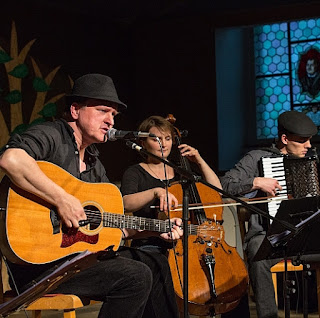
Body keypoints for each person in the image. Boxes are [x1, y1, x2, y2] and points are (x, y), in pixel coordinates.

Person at [0, 73, 183, 318]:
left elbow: (111, 226)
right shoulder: (51, 135)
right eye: (102, 111)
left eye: (113, 115)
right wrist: (61, 199)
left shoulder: (95, 163)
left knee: (153, 261)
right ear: (75, 110)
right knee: (135, 276)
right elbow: (12, 159)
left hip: (75, 260)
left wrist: (155, 229)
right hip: (39, 264)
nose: (110, 121)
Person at [220, 110, 318, 318]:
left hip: (306, 236)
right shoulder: (257, 158)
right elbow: (224, 185)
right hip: (269, 237)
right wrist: (255, 182)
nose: (308, 146)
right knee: (256, 252)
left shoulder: (311, 161)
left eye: (309, 141)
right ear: (285, 139)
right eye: (302, 141)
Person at [120, 115, 222, 251]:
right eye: (156, 139)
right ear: (143, 143)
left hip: (189, 244)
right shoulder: (135, 172)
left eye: (167, 139)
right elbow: (125, 203)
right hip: (150, 244)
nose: (164, 144)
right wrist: (155, 191)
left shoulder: (181, 170)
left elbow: (217, 191)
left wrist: (199, 160)